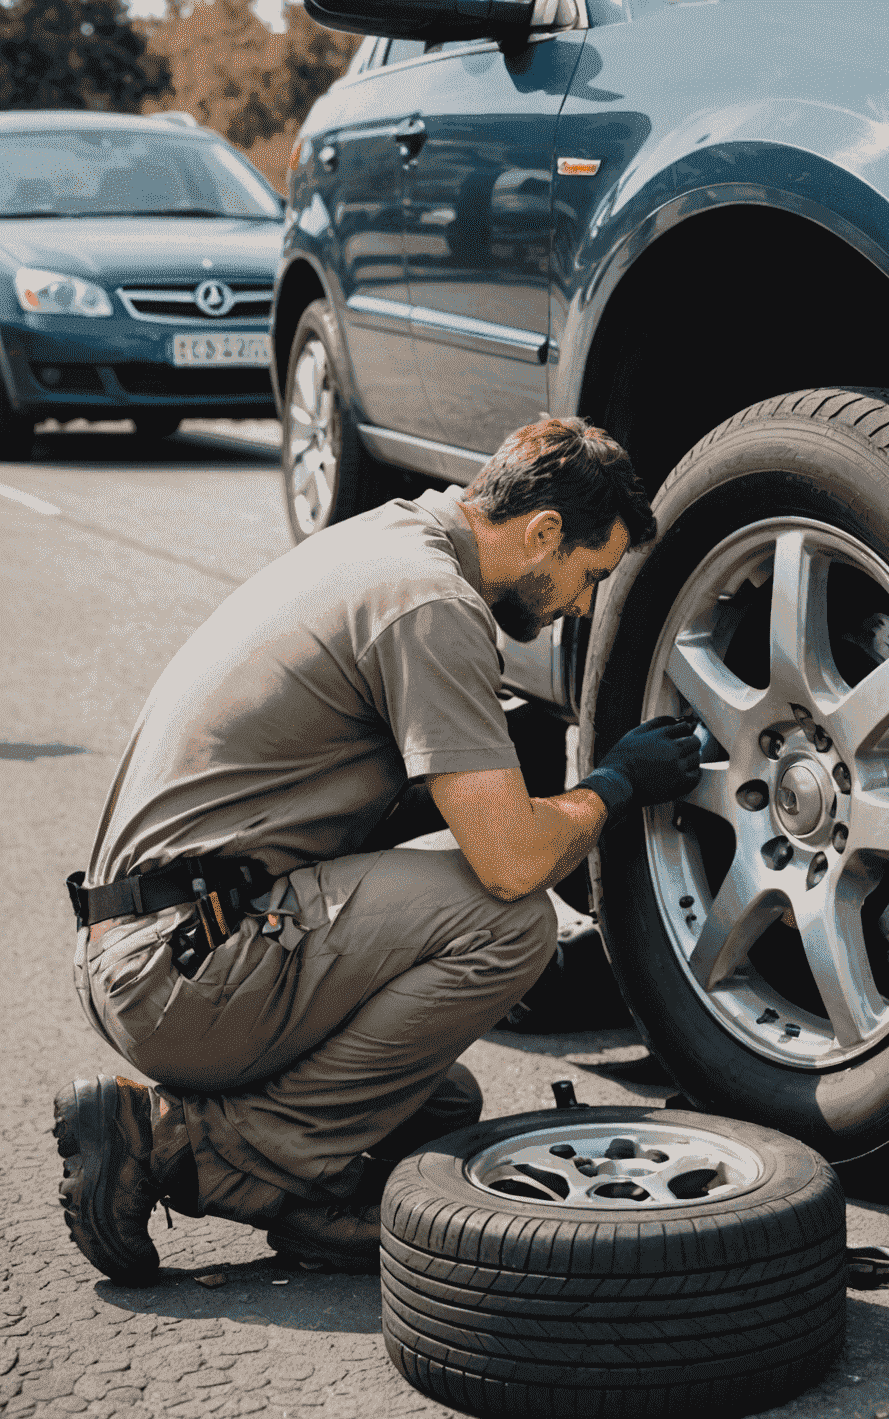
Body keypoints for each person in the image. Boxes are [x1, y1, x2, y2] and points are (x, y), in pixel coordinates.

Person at [55, 418, 702, 1284]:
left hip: (151, 940)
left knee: (438, 1105)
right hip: (181, 974)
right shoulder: (431, 603)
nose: (582, 606)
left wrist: (509, 767)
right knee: (510, 925)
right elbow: (510, 862)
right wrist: (614, 785)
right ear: (543, 532)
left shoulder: (386, 541)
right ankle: (185, 1147)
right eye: (590, 576)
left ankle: (296, 1183)